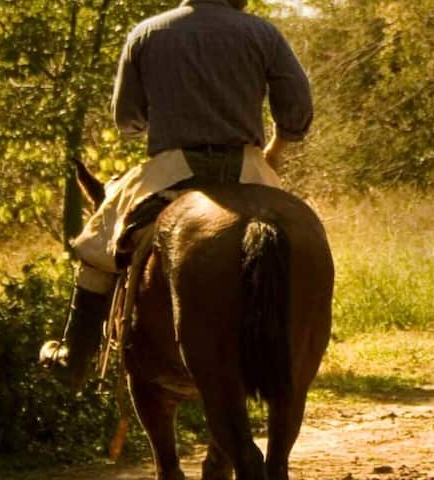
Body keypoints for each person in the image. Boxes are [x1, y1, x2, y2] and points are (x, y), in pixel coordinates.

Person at [37, 0, 313, 385]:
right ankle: (308, 342)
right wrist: (275, 150)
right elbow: (297, 110)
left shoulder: (147, 33)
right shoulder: (262, 32)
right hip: (248, 169)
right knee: (300, 241)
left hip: (172, 169)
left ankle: (74, 357)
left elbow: (127, 120)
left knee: (98, 246)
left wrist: (172, 109)